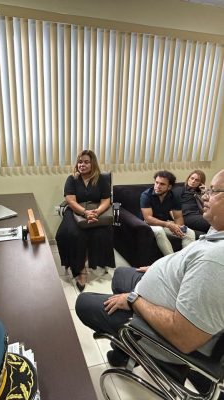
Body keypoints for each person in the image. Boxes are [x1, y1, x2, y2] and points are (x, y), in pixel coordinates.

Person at [76, 169, 224, 368]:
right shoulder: (217, 231)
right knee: (120, 274)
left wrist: (133, 300)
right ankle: (126, 351)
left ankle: (136, 345)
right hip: (166, 292)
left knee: (83, 303)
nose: (205, 195)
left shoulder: (216, 262)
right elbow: (187, 259)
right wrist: (159, 267)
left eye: (214, 191)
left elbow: (184, 337)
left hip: (167, 334)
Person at [55, 150, 115, 292]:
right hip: (76, 211)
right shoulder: (72, 179)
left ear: (92, 163)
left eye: (86, 162)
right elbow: (70, 200)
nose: (82, 164)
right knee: (69, 234)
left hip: (96, 211)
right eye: (80, 162)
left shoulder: (101, 179)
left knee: (100, 232)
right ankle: (80, 269)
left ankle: (96, 262)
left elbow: (106, 200)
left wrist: (97, 212)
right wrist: (84, 213)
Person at [140, 170, 195, 255]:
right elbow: (148, 219)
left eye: (162, 184)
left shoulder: (173, 196)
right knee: (159, 230)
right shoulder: (146, 195)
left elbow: (178, 217)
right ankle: (172, 259)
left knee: (189, 232)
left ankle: (185, 258)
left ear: (169, 187)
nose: (157, 186)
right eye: (156, 182)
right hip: (149, 225)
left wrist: (178, 228)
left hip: (165, 223)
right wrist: (169, 225)